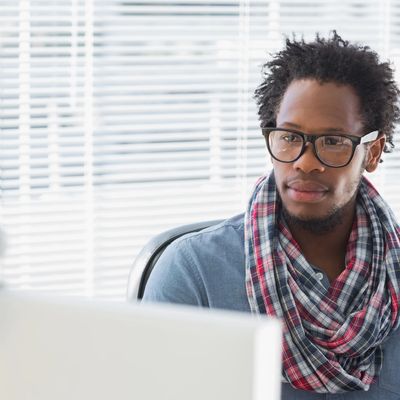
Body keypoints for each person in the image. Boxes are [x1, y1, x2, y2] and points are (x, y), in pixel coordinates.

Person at [142, 32, 400, 398]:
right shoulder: (193, 271)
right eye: (290, 137)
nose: (306, 162)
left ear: (372, 152)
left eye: (333, 141)